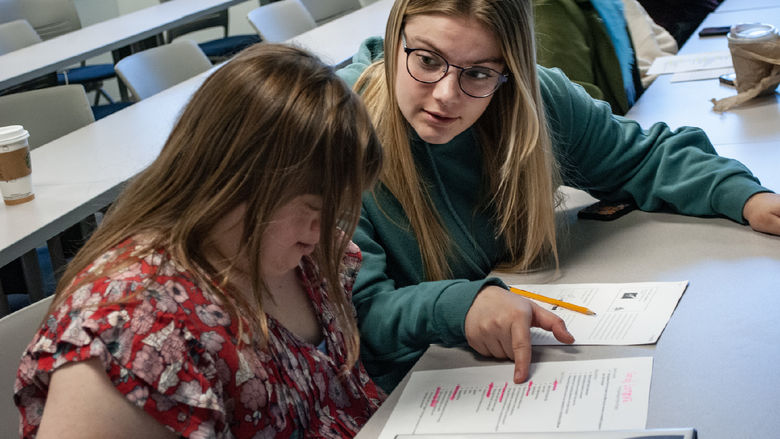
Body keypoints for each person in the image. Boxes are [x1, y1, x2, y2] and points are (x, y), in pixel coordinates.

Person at [336, 0, 780, 393]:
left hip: (508, 364)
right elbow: (353, 318)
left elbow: (645, 157)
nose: (447, 95)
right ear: (396, 37)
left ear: (510, 71)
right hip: (410, 392)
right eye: (428, 60)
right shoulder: (334, 131)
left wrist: (748, 199)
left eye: (478, 73)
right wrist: (459, 305)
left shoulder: (535, 97)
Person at [15, 44, 385, 438]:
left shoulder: (297, 257)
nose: (324, 233)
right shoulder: (130, 332)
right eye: (312, 209)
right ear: (236, 183)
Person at [534, 0, 642, 115]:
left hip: (626, 117)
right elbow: (576, 106)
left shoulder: (606, 4)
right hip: (608, 126)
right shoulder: (549, 8)